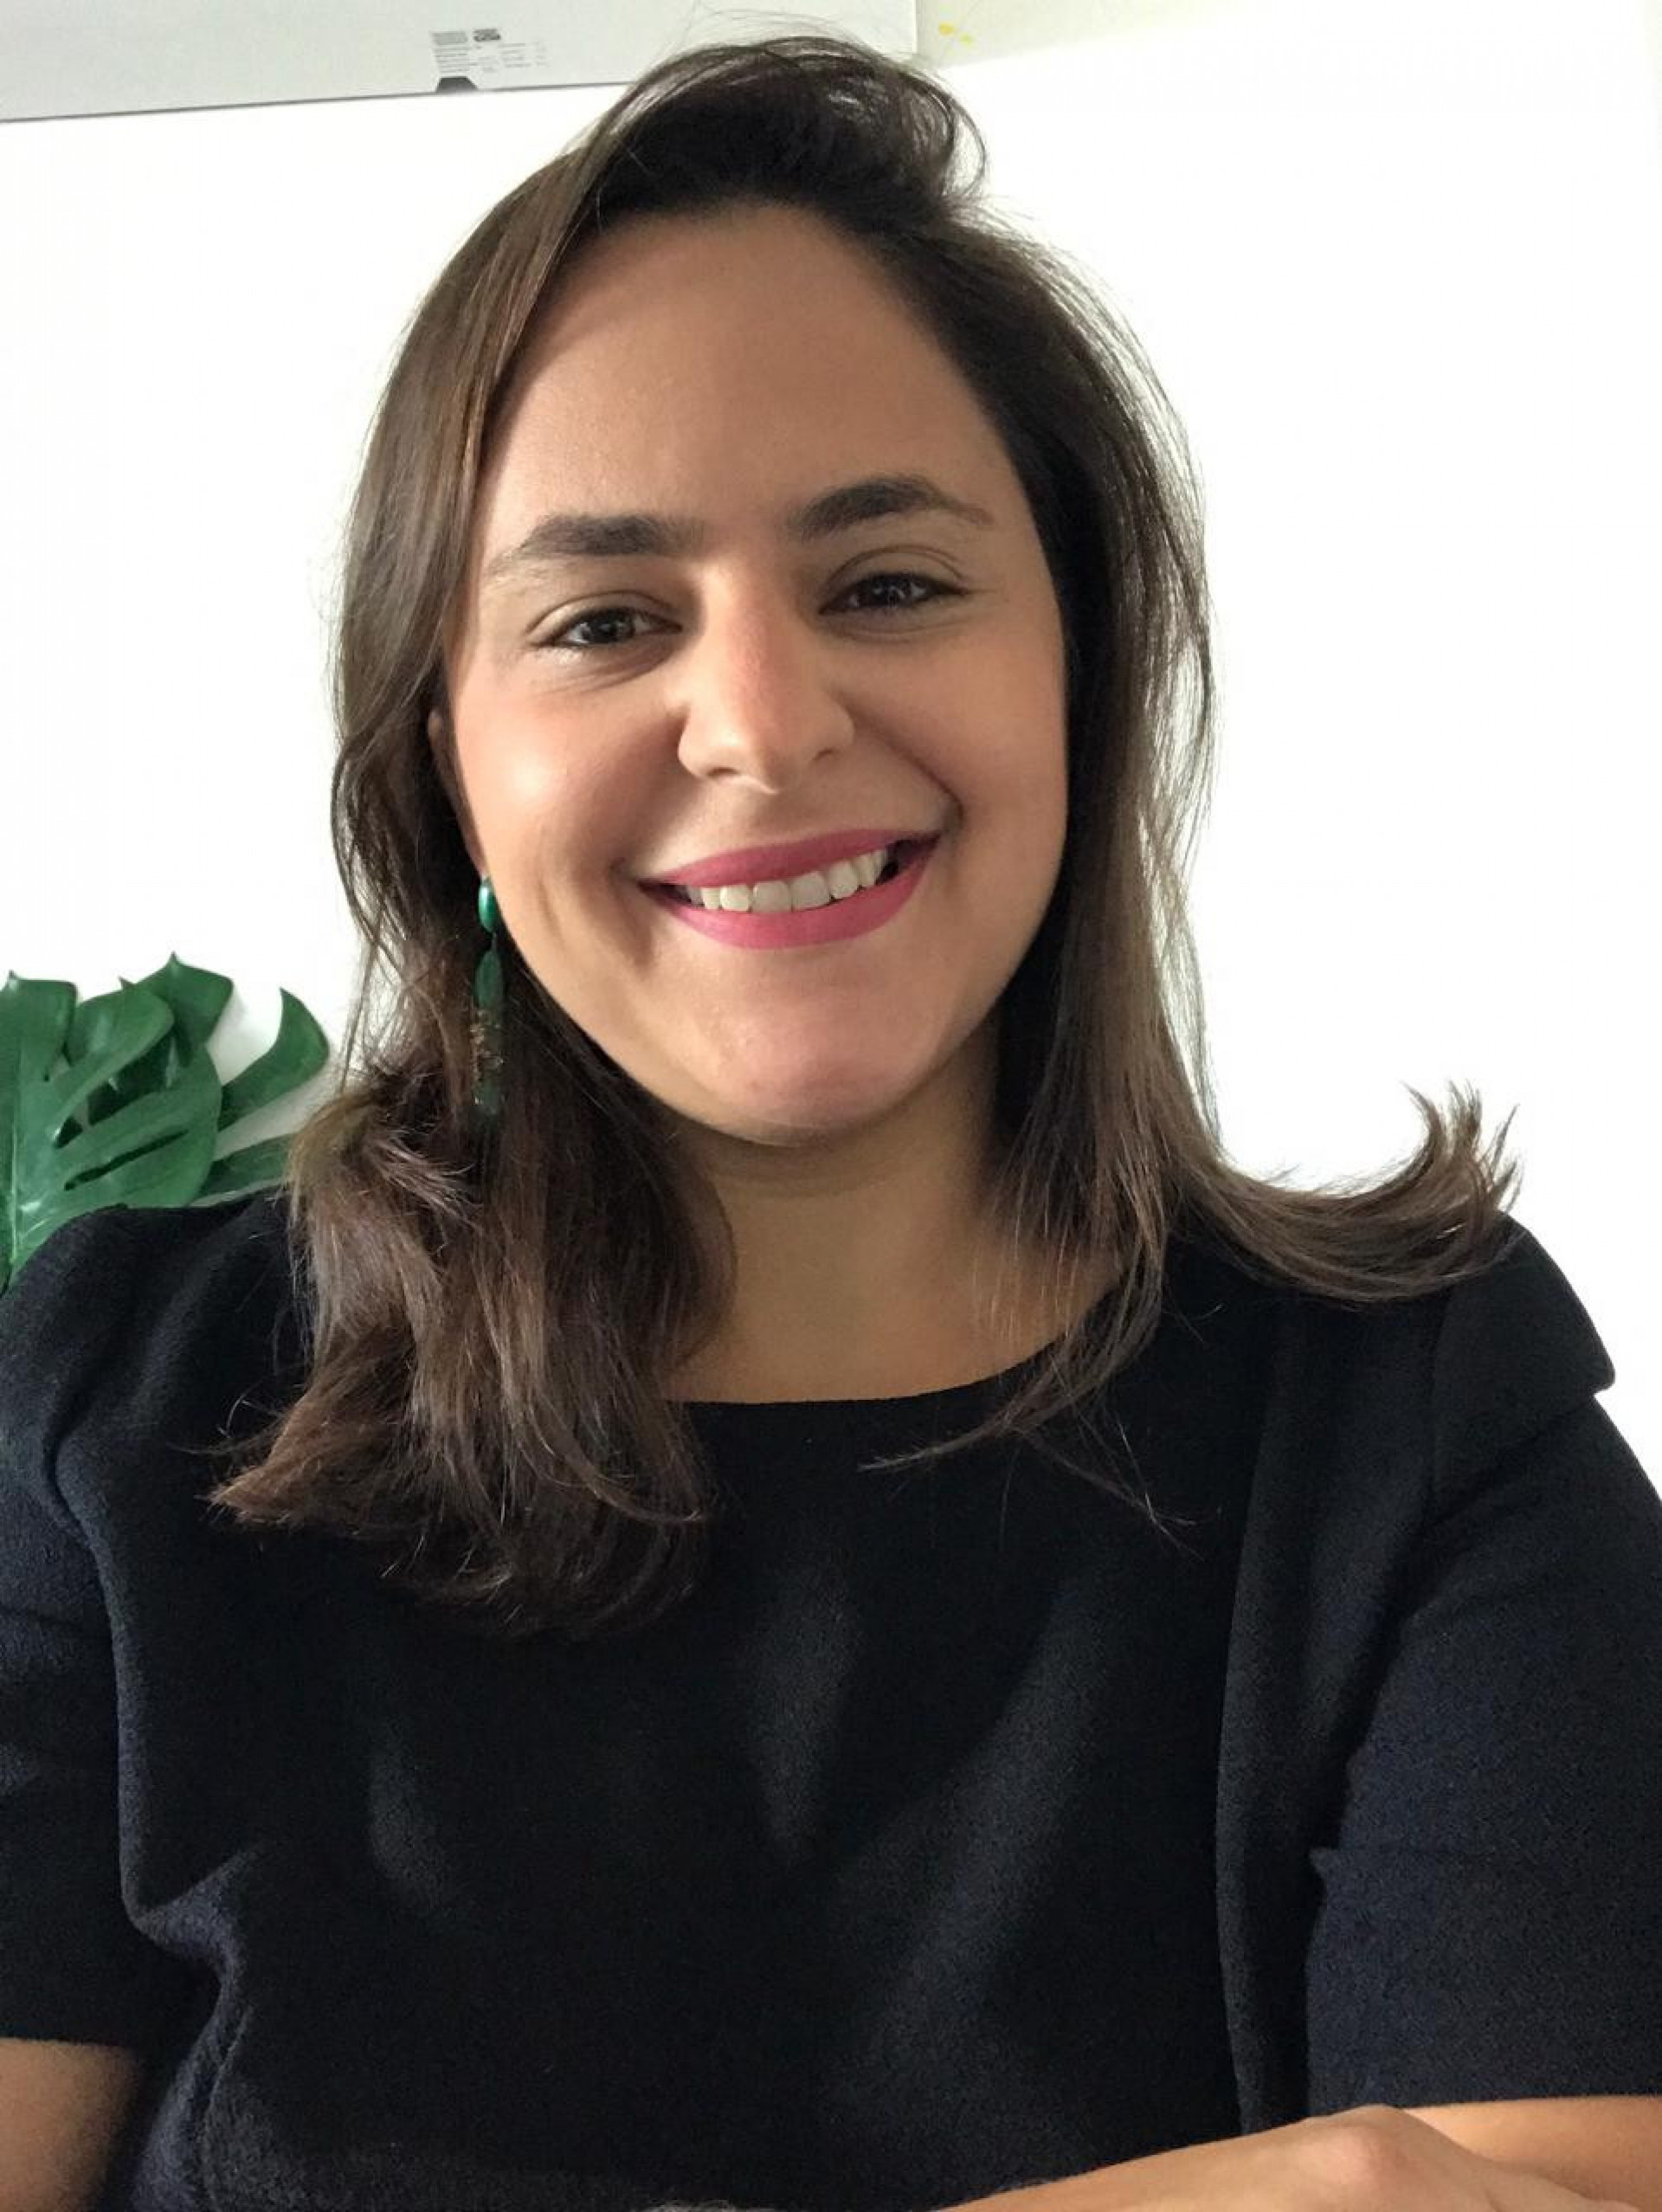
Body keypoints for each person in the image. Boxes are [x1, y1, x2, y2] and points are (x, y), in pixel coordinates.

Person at [2, 31, 1659, 2212]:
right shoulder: (116, 1407)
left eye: (888, 583)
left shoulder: (1422, 1418)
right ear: (446, 770)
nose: (766, 728)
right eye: (606, 622)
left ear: (1081, 663)